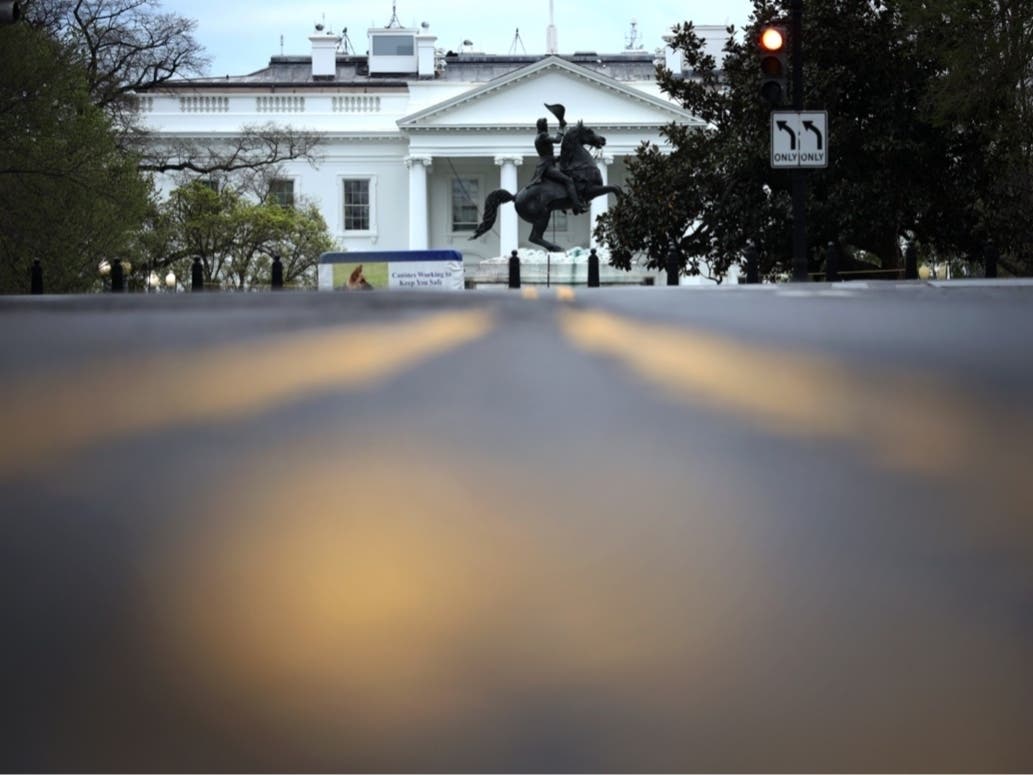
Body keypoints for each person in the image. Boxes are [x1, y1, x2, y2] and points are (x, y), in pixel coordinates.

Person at [531, 116, 587, 214]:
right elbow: (557, 140)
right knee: (568, 180)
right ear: (543, 126)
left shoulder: (538, 137)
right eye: (546, 125)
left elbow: (546, 155)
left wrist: (558, 158)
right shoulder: (543, 136)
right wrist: (561, 127)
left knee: (567, 173)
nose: (547, 127)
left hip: (547, 164)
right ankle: (577, 205)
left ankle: (565, 204)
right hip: (547, 167)